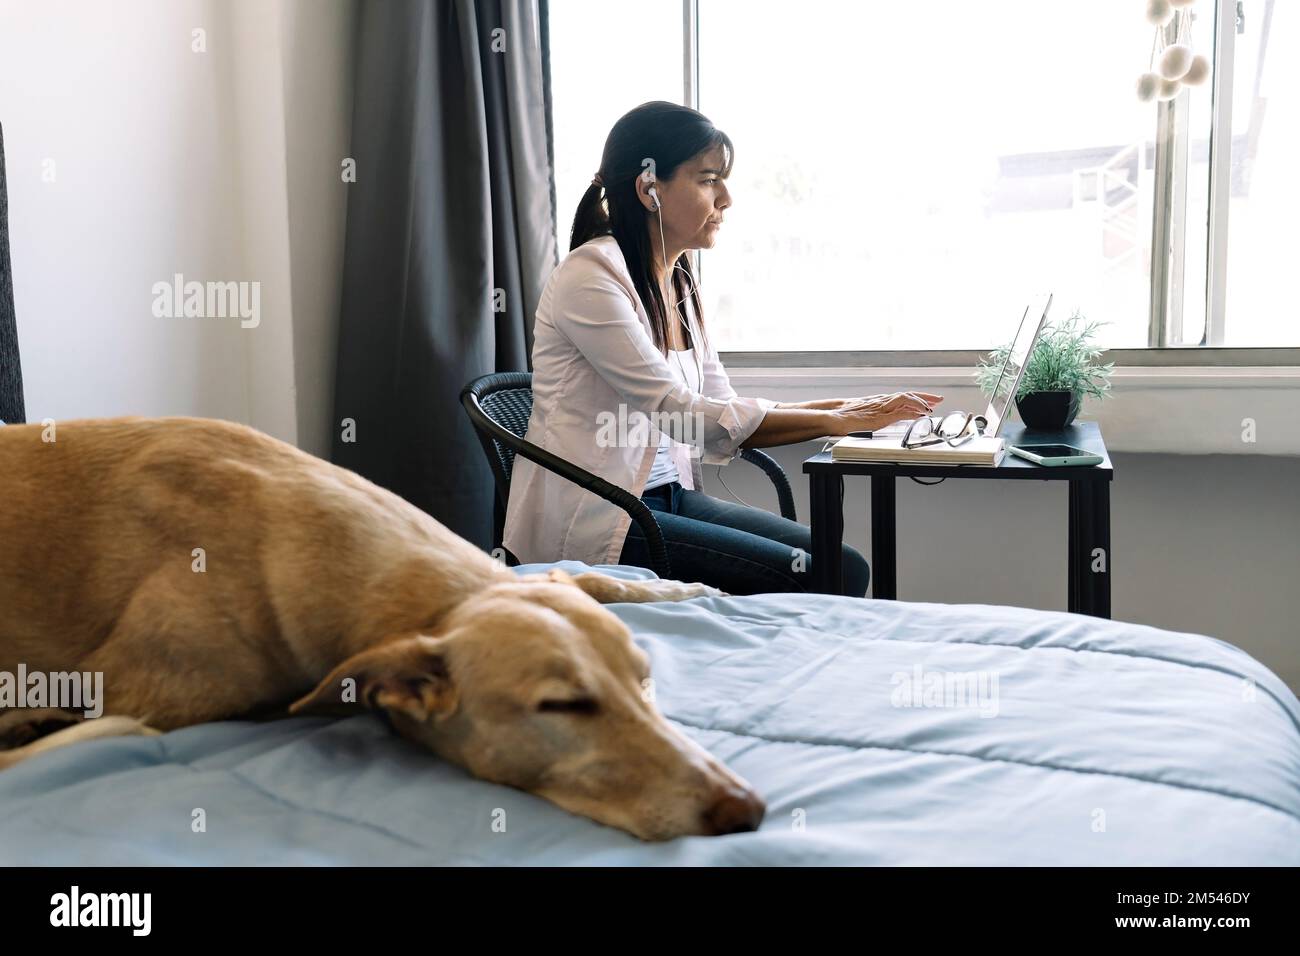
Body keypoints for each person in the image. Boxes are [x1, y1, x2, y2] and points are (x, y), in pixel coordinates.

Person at [502, 101, 942, 595]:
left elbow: (720, 404)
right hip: (606, 516)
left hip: (668, 499)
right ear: (649, 189)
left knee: (844, 563)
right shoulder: (592, 276)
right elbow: (679, 413)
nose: (727, 198)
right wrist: (837, 420)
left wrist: (842, 407)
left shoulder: (679, 280)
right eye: (709, 179)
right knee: (829, 573)